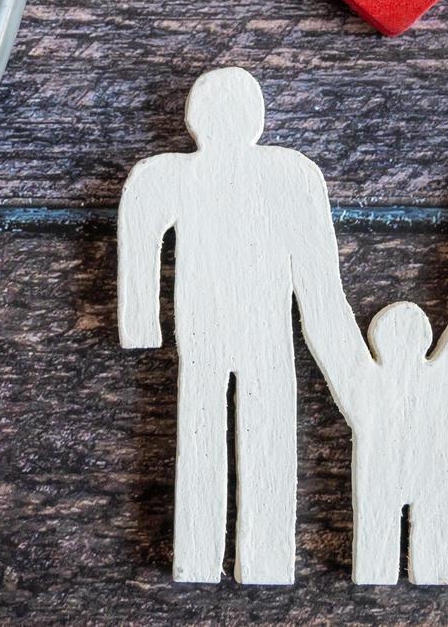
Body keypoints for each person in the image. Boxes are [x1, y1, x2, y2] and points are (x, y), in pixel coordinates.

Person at [117, 67, 370, 585]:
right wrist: (140, 322)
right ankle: (229, 556)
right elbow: (319, 280)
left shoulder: (281, 175)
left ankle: (250, 557)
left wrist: (143, 322)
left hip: (245, 333)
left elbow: (318, 277)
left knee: (241, 436)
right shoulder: (276, 173)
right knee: (237, 436)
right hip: (225, 335)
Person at [350, 280, 448, 583]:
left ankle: (384, 570)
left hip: (381, 480)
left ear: (377, 342)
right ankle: (427, 570)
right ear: (426, 338)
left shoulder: (365, 381)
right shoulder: (446, 378)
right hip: (435, 481)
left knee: (375, 561)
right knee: (435, 559)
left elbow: (333, 334)